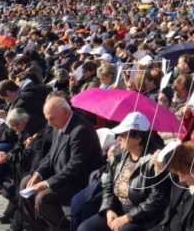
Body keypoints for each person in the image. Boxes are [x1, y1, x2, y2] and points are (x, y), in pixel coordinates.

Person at [20, 96, 104, 230]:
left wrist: (47, 183)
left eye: (51, 118)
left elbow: (76, 166)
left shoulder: (81, 130)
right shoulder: (58, 124)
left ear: (65, 112)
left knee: (43, 198)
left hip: (78, 181)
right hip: (61, 174)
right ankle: (39, 227)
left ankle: (62, 228)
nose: (48, 122)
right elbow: (50, 156)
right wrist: (39, 174)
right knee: (26, 183)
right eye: (47, 118)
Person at [77, 112, 170, 231]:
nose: (118, 138)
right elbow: (107, 185)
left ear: (138, 138)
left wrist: (127, 218)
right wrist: (109, 209)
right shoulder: (120, 155)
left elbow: (155, 200)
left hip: (141, 217)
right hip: (118, 208)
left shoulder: (155, 160)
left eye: (123, 135)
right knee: (85, 228)